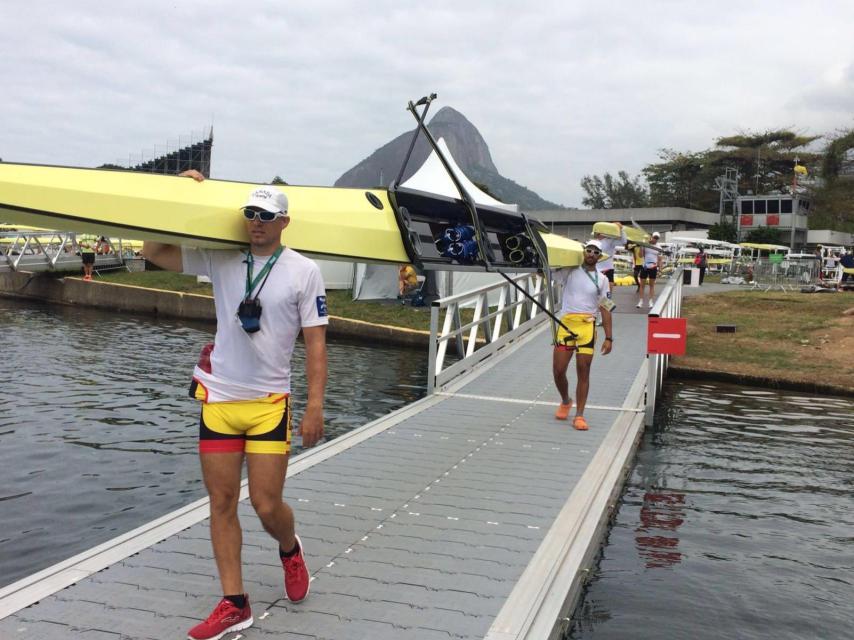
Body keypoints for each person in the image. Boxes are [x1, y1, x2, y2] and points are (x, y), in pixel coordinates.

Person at [142, 169, 328, 640]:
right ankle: (234, 603)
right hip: (220, 398)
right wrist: (175, 193)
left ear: (284, 221)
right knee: (221, 501)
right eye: (250, 214)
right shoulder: (222, 258)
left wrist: (314, 408)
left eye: (266, 215)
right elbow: (153, 251)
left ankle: (289, 547)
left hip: (269, 403)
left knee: (266, 505)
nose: (256, 222)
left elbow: (316, 346)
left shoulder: (304, 271)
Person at [552, 239, 614, 431]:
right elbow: (544, 273)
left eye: (596, 252)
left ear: (599, 257)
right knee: (559, 370)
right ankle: (565, 400)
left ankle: (579, 415)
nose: (592, 254)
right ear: (584, 252)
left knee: (583, 370)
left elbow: (606, 307)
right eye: (589, 250)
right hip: (566, 324)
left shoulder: (602, 280)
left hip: (587, 326)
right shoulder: (569, 271)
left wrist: (609, 337)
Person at [593, 222, 627, 302]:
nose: (598, 234)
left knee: (608, 293)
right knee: (595, 292)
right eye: (596, 232)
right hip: (596, 269)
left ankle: (606, 308)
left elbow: (624, 241)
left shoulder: (610, 241)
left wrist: (621, 229)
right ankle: (595, 309)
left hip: (608, 268)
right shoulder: (593, 242)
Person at [636, 232, 663, 308]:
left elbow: (660, 260)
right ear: (651, 237)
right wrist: (641, 246)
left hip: (653, 267)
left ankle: (650, 302)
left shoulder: (659, 247)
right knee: (642, 285)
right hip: (645, 267)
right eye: (654, 237)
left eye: (657, 238)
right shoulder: (646, 244)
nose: (655, 239)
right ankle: (640, 302)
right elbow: (640, 255)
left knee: (652, 286)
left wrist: (660, 270)